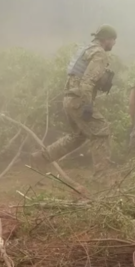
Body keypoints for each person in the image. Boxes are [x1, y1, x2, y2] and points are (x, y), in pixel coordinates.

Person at [41, 25, 117, 177]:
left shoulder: (85, 49)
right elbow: (87, 82)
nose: (114, 44)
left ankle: (40, 159)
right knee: (101, 132)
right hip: (79, 100)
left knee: (78, 135)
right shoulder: (99, 53)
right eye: (113, 40)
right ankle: (102, 177)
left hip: (69, 98)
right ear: (106, 39)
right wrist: (88, 104)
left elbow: (76, 76)